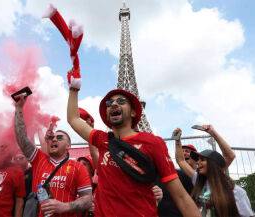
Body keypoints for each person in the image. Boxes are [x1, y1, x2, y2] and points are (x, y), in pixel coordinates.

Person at [66, 74, 200, 216]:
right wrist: (74, 88)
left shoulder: (153, 143)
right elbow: (73, 119)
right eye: (109, 103)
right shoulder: (102, 140)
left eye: (121, 101)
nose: (114, 104)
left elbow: (181, 196)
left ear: (134, 112)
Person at [14, 95, 92, 217]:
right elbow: (22, 139)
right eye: (52, 138)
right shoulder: (39, 159)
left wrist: (64, 207)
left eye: (59, 138)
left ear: (68, 146)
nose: (54, 139)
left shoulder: (78, 167)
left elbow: (87, 200)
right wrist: (18, 108)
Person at [175, 126, 255, 217]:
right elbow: (181, 160)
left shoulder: (236, 191)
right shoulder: (198, 179)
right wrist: (177, 140)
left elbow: (230, 155)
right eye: (198, 160)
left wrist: (212, 133)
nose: (198, 162)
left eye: (202, 159)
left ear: (214, 164)